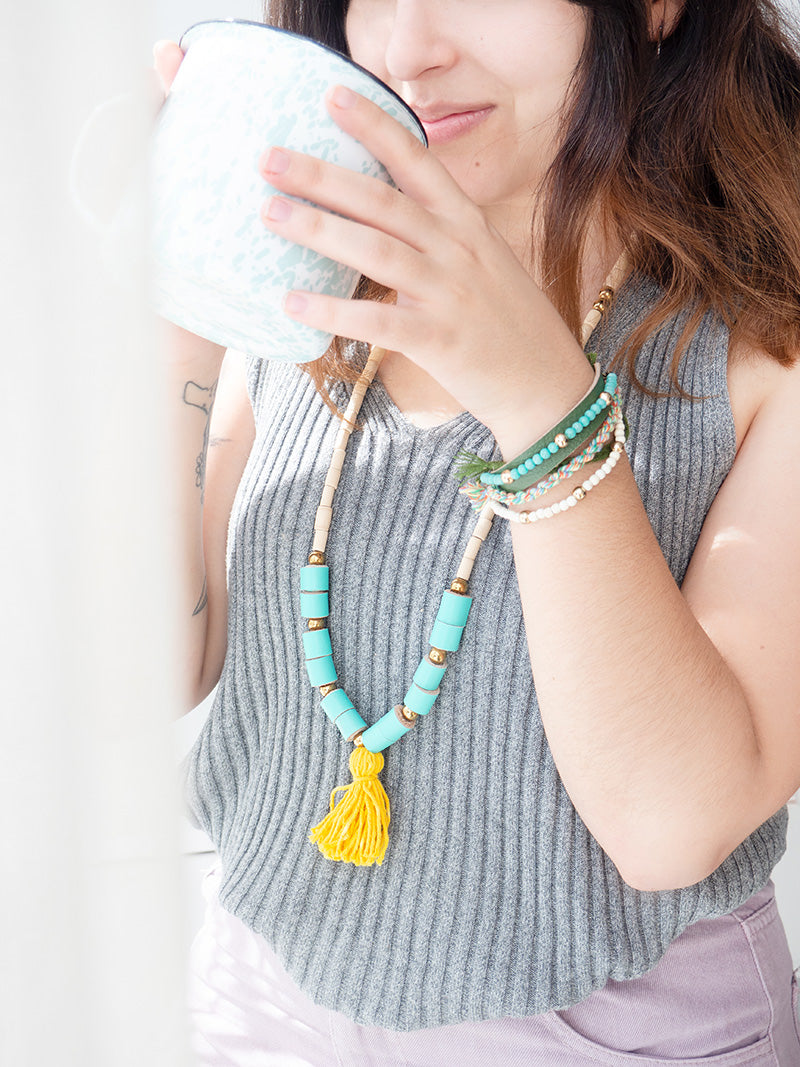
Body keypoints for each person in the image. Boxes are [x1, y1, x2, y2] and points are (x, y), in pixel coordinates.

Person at [156, 0, 800, 1062]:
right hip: (264, 988)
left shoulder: (765, 344)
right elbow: (156, 671)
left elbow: (670, 825)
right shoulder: (310, 289)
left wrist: (542, 406)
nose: (407, 49)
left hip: (608, 1027)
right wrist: (175, 329)